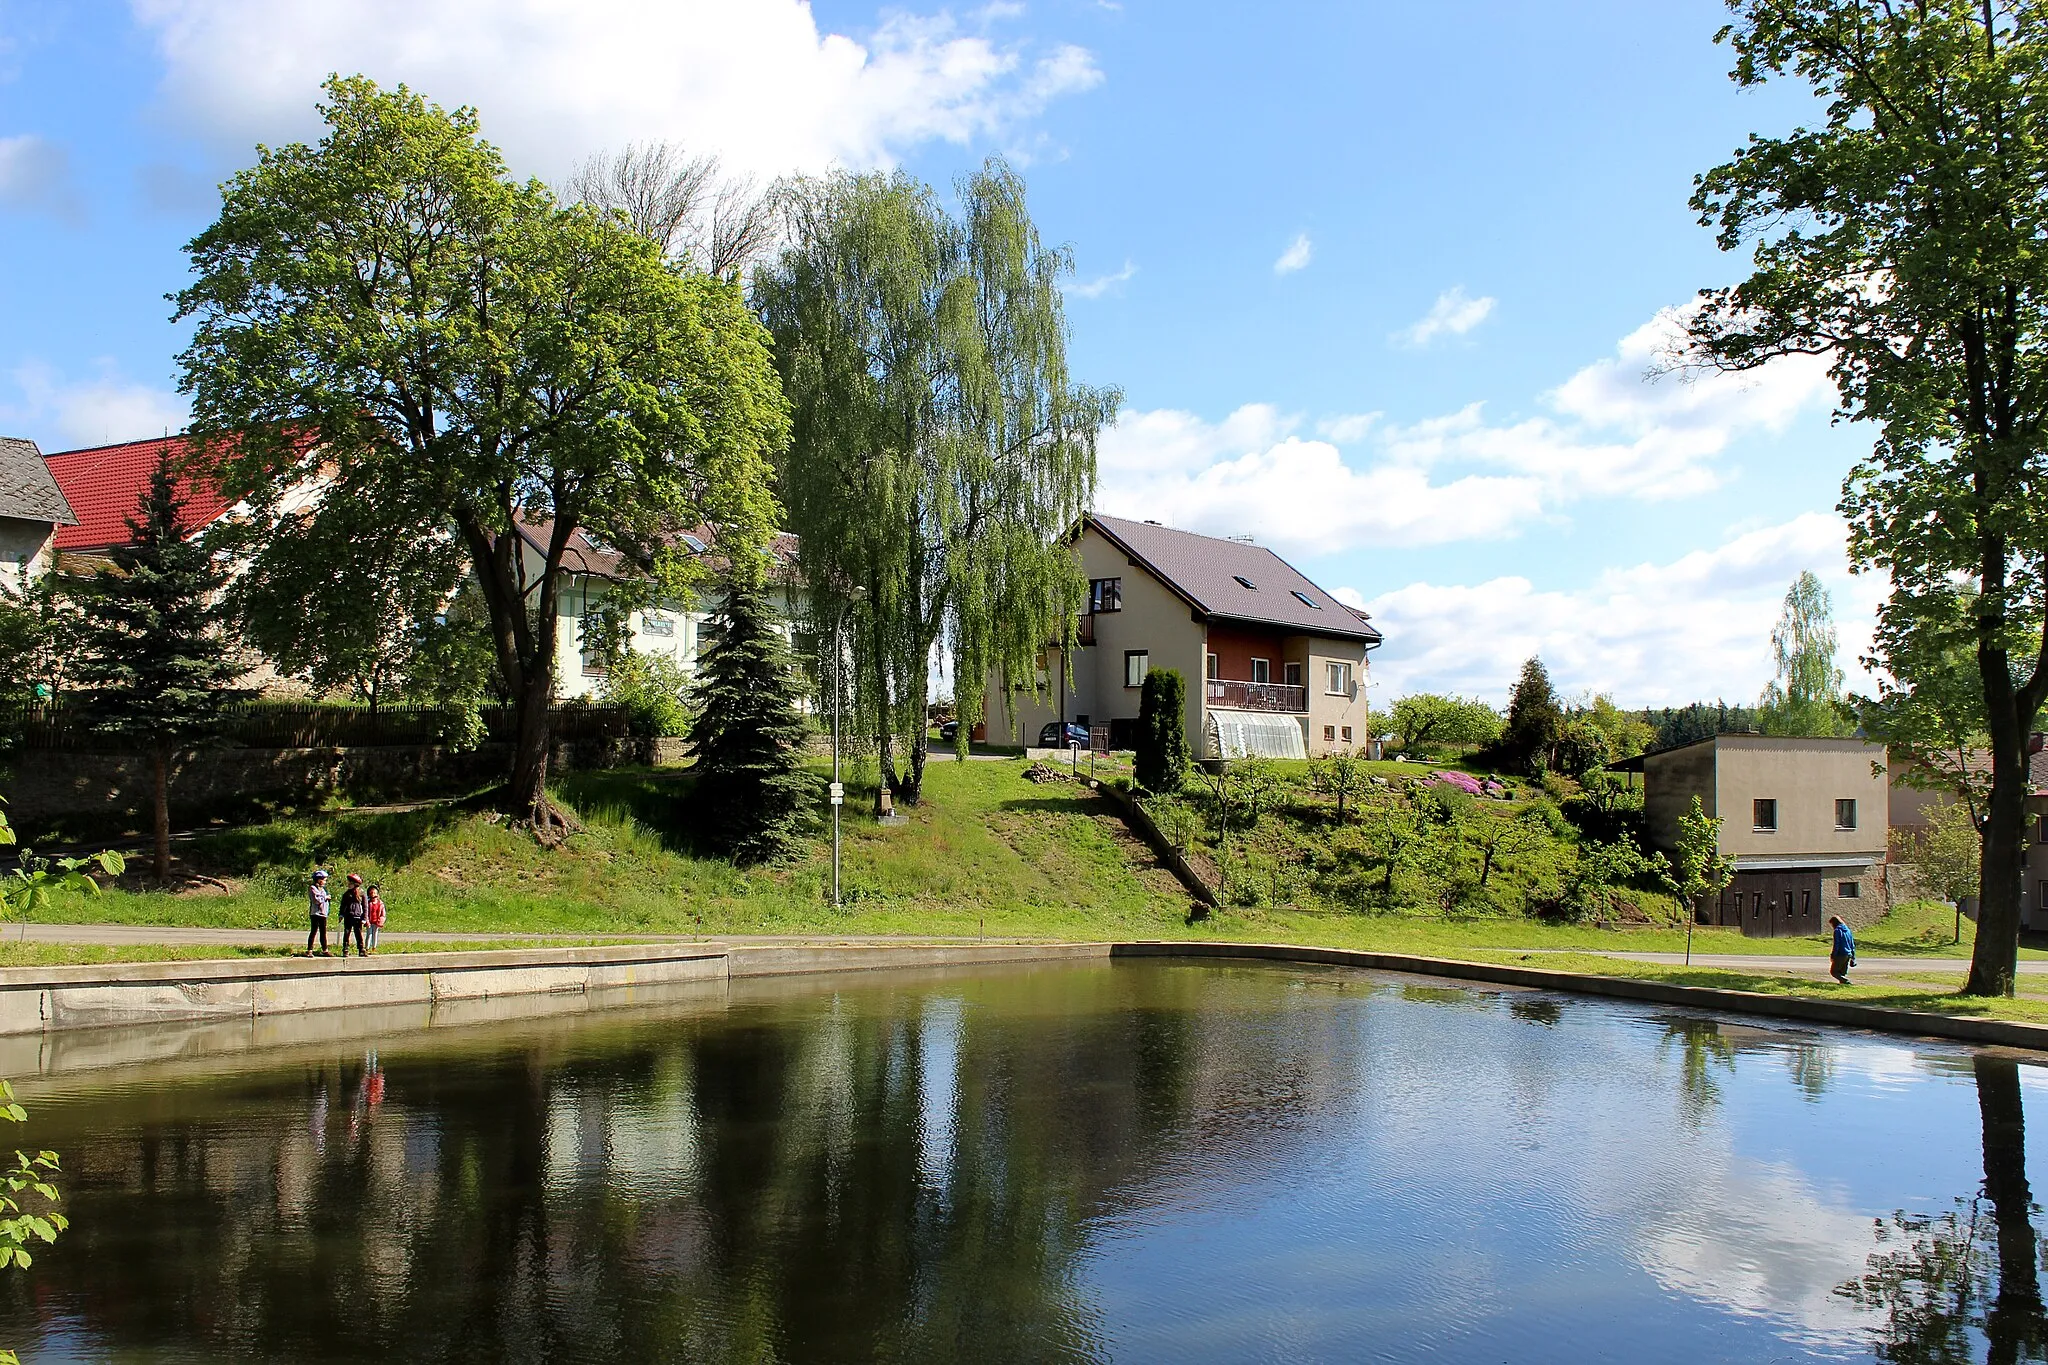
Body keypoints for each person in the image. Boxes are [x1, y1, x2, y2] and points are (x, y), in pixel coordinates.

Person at [338, 872, 370, 959]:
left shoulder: (361, 894)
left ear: (355, 884)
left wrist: (365, 918)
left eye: (350, 883)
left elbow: (365, 907)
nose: (348, 885)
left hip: (358, 917)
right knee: (347, 932)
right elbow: (343, 905)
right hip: (348, 916)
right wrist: (341, 914)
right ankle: (345, 948)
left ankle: (361, 949)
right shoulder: (346, 894)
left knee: (358, 933)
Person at [306, 869, 332, 956]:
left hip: (323, 913)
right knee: (314, 931)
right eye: (324, 880)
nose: (325, 882)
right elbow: (316, 900)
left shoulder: (322, 889)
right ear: (319, 880)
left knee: (323, 932)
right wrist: (326, 897)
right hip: (315, 913)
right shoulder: (312, 888)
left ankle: (325, 949)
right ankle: (309, 950)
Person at [1829, 914, 1856, 985]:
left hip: (1841, 954)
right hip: (1848, 954)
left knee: (1834, 972)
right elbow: (1852, 944)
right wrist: (1853, 956)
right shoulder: (1848, 930)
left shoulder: (1837, 931)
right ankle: (1842, 984)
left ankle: (1846, 981)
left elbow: (1836, 944)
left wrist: (1833, 955)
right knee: (1842, 972)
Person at [365, 883, 385, 953]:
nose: (373, 895)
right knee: (369, 934)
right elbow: (366, 913)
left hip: (376, 922)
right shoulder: (368, 903)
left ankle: (374, 947)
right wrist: (366, 920)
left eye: (374, 893)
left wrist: (381, 921)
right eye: (371, 893)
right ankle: (367, 948)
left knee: (375, 934)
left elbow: (383, 914)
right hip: (369, 922)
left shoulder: (380, 904)